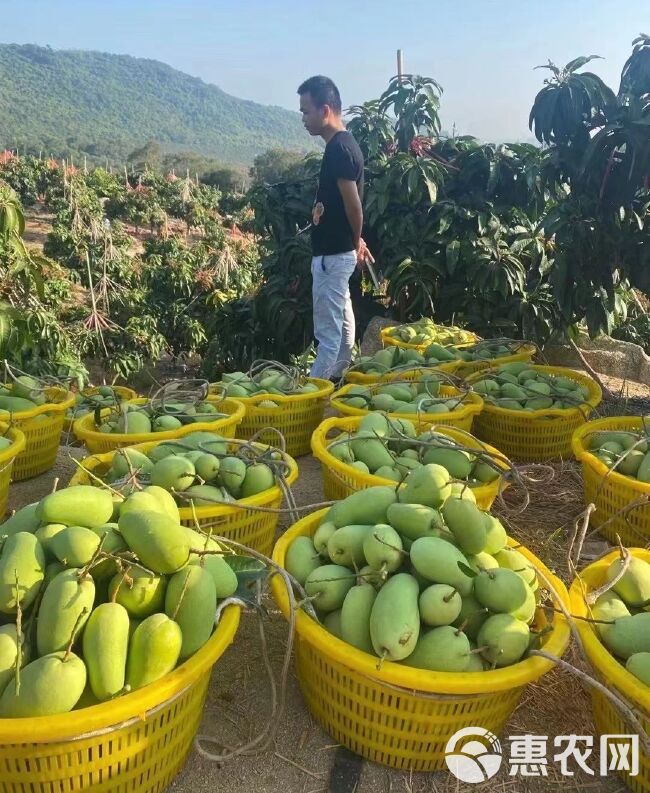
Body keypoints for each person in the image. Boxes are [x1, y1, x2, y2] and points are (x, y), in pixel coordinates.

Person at [297, 75, 374, 382]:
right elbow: (345, 208)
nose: (303, 118)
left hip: (333, 255)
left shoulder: (339, 149)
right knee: (342, 325)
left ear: (325, 110)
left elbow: (353, 204)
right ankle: (338, 382)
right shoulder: (343, 145)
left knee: (327, 336)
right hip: (337, 253)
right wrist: (355, 239)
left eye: (306, 111)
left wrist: (354, 241)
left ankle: (313, 397)